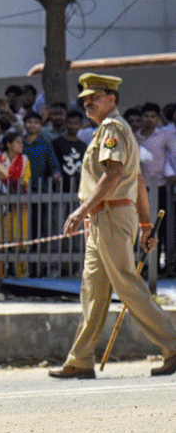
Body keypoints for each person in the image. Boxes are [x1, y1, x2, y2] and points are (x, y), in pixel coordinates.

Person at [50, 73, 176, 379]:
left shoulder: (112, 128)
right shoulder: (109, 130)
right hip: (105, 216)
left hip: (109, 214)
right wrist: (145, 224)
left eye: (94, 97)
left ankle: (173, 345)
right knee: (93, 290)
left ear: (112, 99)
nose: (88, 102)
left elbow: (114, 174)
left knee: (126, 285)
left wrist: (81, 210)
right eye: (84, 99)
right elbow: (139, 181)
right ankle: (80, 359)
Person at [0, 132, 31, 242]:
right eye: (17, 142)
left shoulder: (25, 159)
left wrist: (22, 181)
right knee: (3, 235)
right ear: (9, 144)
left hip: (21, 202)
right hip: (2, 201)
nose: (21, 145)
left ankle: (21, 259)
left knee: (20, 235)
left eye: (21, 142)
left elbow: (26, 179)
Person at [52, 110, 88, 194]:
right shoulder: (56, 143)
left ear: (81, 125)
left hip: (78, 188)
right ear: (65, 123)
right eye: (70, 123)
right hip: (60, 188)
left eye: (76, 123)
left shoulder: (83, 146)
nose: (73, 126)